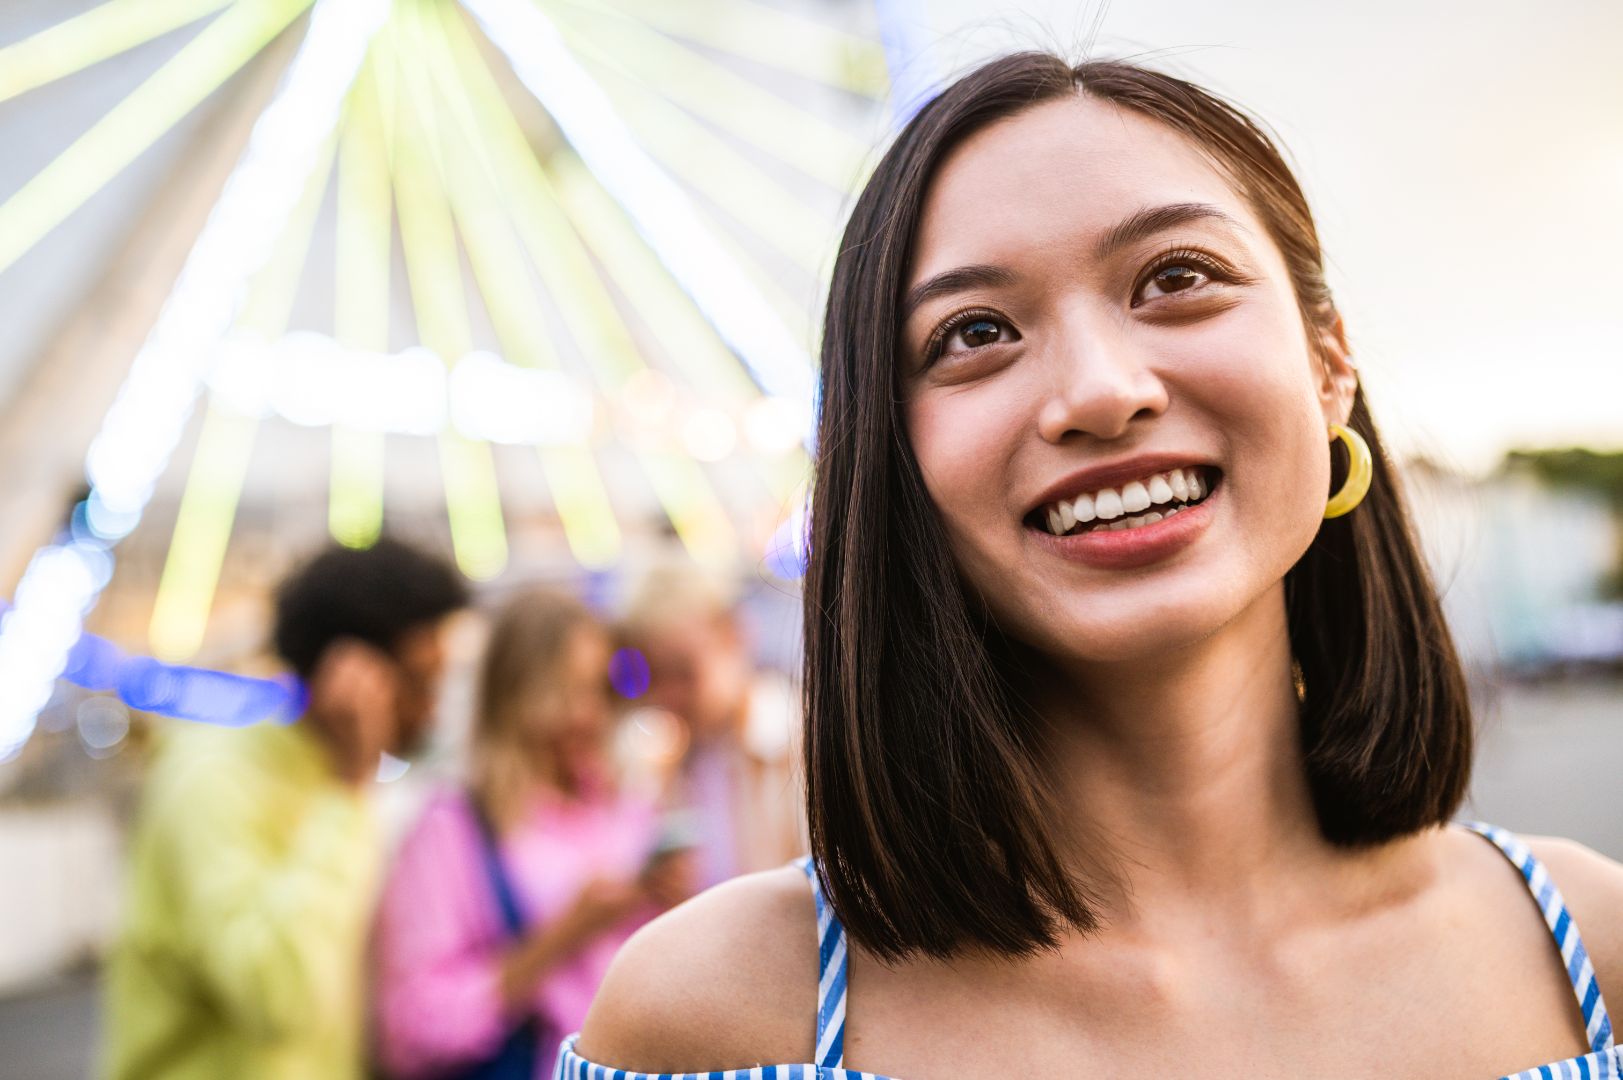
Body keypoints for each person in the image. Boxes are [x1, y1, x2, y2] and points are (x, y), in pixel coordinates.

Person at [562, 54, 1623, 1078]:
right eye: (976, 332)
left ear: (1328, 362)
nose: (1101, 391)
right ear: (891, 455)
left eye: (1177, 278)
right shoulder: (721, 1016)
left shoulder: (1592, 956)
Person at [102, 538, 468, 1079]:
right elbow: (277, 998)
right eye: (420, 683)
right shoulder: (214, 782)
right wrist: (348, 788)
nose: (432, 709)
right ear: (352, 674)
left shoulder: (338, 778)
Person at [371, 589, 694, 1077]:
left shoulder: (627, 808)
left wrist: (675, 908)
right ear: (515, 696)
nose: (586, 715)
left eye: (598, 690)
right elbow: (413, 1027)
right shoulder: (452, 827)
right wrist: (560, 938)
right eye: (564, 693)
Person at [620, 567, 804, 889]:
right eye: (654, 676)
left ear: (732, 635)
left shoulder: (798, 741)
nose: (669, 695)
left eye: (682, 671)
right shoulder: (669, 763)